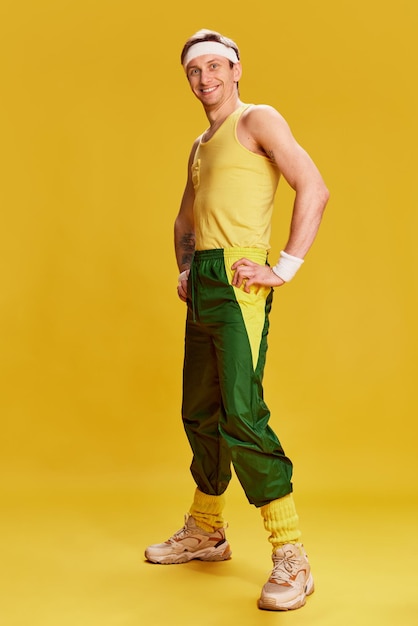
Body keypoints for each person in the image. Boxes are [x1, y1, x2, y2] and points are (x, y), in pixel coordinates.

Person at [145, 29, 329, 612]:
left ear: (237, 69)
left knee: (242, 415)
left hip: (237, 279)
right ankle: (207, 529)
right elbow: (182, 221)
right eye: (194, 70)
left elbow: (314, 187)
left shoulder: (258, 120)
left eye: (215, 66)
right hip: (203, 278)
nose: (205, 78)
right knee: (200, 410)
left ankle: (292, 554)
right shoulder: (201, 143)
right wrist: (184, 267)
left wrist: (286, 267)